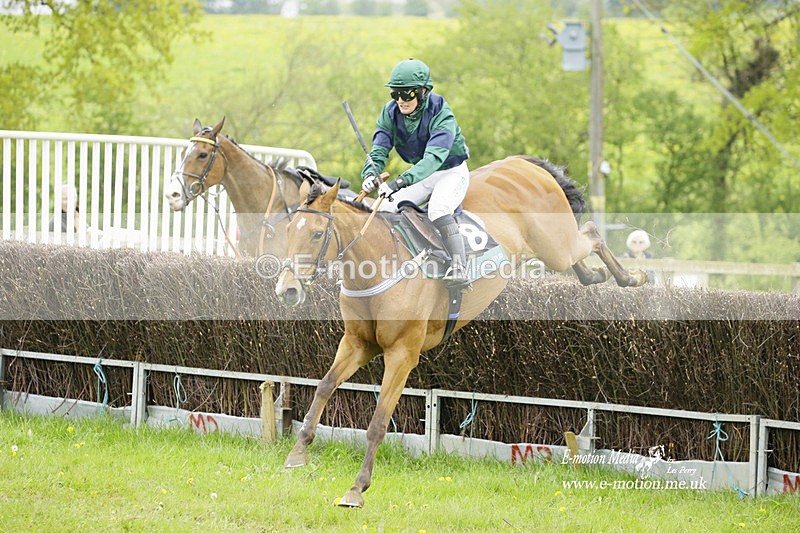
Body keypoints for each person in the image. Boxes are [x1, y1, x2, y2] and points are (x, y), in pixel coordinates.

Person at [360, 58, 471, 288]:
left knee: (439, 209)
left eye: (407, 94)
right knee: (386, 207)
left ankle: (460, 267)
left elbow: (433, 159)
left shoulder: (441, 112)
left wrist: (400, 181)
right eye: (395, 94)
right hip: (425, 174)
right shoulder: (390, 113)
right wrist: (370, 174)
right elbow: (379, 148)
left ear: (422, 91)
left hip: (451, 171)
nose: (401, 100)